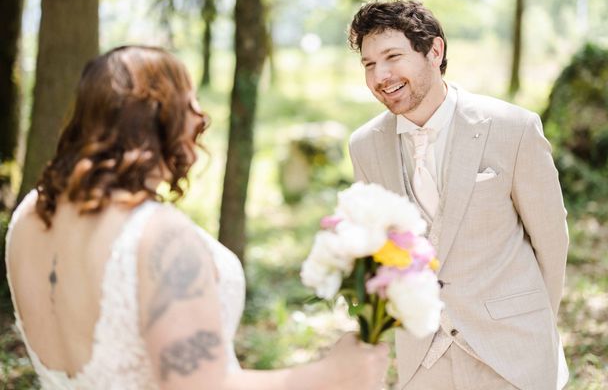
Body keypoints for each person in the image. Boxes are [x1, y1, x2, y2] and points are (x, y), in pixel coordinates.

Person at [5, 45, 389, 389]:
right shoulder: (157, 235)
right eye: (188, 101)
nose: (201, 115)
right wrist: (330, 375)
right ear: (157, 115)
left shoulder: (32, 212)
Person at [347, 0, 569, 390]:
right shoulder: (365, 146)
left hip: (514, 356)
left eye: (392, 57)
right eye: (368, 64)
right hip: (423, 362)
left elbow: (551, 241)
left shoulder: (513, 129)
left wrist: (533, 325)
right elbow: (382, 254)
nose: (380, 75)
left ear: (434, 50)